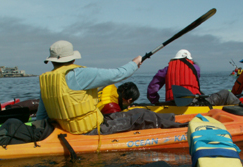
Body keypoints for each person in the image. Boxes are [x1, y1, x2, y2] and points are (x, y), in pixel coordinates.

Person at [36, 40, 186, 135]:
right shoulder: (78, 74)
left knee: (132, 113)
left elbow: (41, 116)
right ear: (73, 58)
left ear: (51, 61)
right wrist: (135, 63)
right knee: (141, 114)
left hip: (67, 128)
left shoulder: (47, 80)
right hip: (90, 130)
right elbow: (117, 74)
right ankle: (182, 128)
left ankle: (175, 120)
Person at [147, 49, 240, 106]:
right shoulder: (196, 68)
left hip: (172, 103)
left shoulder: (166, 69)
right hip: (195, 104)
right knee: (225, 93)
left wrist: (155, 102)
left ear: (175, 59)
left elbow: (152, 88)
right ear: (190, 59)